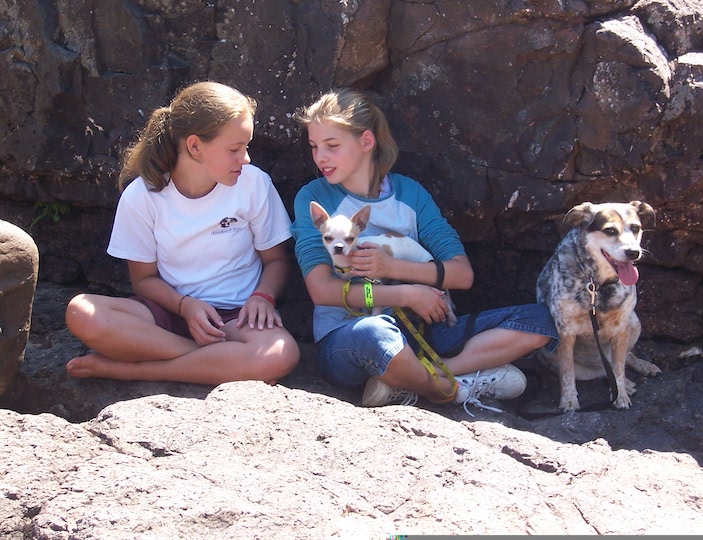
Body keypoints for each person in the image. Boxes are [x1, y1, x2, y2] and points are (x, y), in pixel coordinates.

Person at [290, 88, 559, 412]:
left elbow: (462, 273)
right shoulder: (314, 197)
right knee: (376, 335)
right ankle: (448, 387)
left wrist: (394, 270)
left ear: (366, 141)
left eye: (331, 146)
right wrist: (405, 295)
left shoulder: (410, 193)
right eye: (315, 147)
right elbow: (320, 290)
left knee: (540, 320)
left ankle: (404, 380)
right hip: (349, 338)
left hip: (421, 330)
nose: (320, 158)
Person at [65, 81, 300, 385]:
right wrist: (186, 307)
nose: (246, 159)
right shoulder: (142, 196)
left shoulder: (254, 183)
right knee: (81, 312)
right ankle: (217, 361)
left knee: (282, 354)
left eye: (247, 147)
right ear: (194, 146)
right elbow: (143, 281)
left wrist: (263, 297)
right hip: (167, 315)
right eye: (235, 149)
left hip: (236, 318)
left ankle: (131, 370)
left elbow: (277, 261)